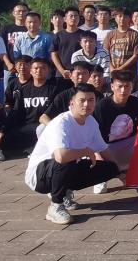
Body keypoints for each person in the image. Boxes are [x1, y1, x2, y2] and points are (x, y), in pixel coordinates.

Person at [24, 83, 121, 224]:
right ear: (72, 103)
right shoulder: (61, 123)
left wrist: (121, 172)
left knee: (110, 168)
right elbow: (60, 156)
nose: (87, 104)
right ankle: (55, 206)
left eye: (91, 100)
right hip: (40, 176)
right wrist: (86, 151)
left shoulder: (91, 122)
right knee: (67, 159)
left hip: (65, 167)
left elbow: (104, 150)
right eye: (82, 100)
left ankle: (64, 192)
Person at [0, 58, 68, 157]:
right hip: (27, 126)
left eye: (43, 68)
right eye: (36, 68)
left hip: (44, 125)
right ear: (30, 70)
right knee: (2, 141)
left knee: (41, 130)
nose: (39, 71)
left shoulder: (55, 88)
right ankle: (32, 147)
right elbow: (15, 112)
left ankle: (36, 149)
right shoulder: (23, 90)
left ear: (48, 71)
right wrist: (3, 130)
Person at [93, 70, 138, 183]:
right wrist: (98, 156)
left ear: (132, 87)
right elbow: (94, 137)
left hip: (129, 143)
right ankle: (102, 178)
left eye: (127, 86)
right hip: (106, 146)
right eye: (120, 86)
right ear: (112, 86)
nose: (123, 90)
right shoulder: (102, 107)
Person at [51, 7, 83, 79]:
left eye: (76, 16)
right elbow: (54, 54)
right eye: (71, 16)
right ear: (65, 19)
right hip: (61, 74)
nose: (73, 18)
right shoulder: (58, 35)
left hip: (79, 74)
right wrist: (62, 71)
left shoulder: (84, 35)